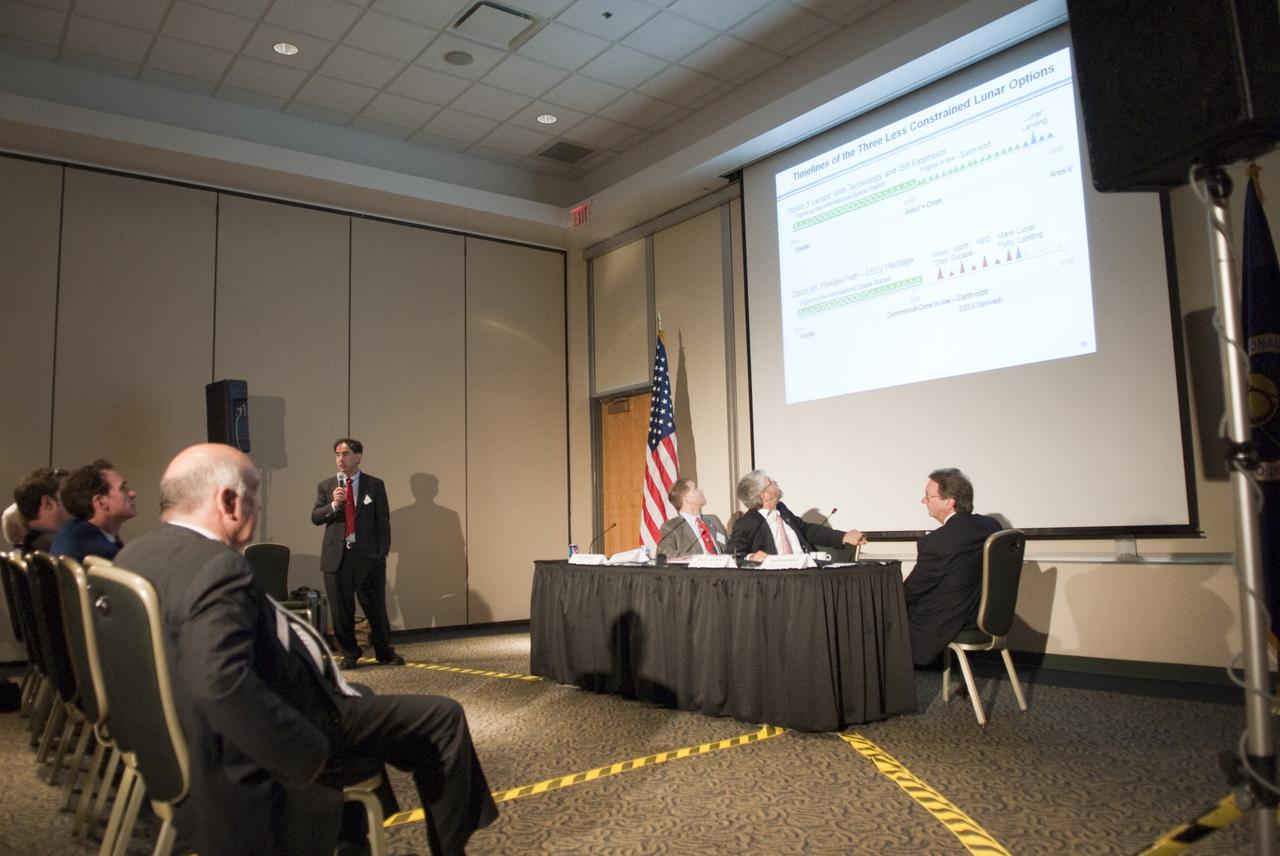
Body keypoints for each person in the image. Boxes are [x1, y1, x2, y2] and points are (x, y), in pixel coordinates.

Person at [114, 443, 498, 856]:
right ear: (227, 501)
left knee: (363, 694)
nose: (258, 504)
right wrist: (309, 757)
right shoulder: (217, 567)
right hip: (281, 730)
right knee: (443, 717)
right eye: (254, 493)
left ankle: (355, 831)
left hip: (186, 737)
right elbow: (220, 684)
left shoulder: (134, 555)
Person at [311, 438, 401, 669]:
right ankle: (350, 653)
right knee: (341, 610)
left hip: (368, 557)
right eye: (337, 454)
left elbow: (383, 520)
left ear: (358, 457)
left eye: (345, 454)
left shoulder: (374, 485)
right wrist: (334, 505)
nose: (340, 459)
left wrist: (381, 552)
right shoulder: (327, 486)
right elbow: (316, 517)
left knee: (375, 608)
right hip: (337, 558)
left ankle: (384, 651)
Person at [904, 467, 1003, 666]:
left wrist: (884, 600)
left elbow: (912, 590)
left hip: (951, 621)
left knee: (883, 615)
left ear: (949, 502)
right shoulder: (991, 526)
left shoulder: (936, 542)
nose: (923, 501)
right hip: (987, 617)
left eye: (928, 496)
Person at [727, 469, 866, 561]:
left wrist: (843, 537)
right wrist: (751, 558)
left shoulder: (782, 509)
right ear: (764, 495)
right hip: (779, 581)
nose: (776, 483)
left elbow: (807, 530)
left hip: (808, 570)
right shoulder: (747, 523)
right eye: (771, 483)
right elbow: (732, 557)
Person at [50, 459, 135, 561]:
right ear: (101, 501)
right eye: (122, 488)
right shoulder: (101, 553)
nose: (132, 493)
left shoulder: (70, 530)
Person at [655, 478, 729, 556]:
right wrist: (694, 559)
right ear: (687, 499)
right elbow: (663, 552)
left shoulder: (713, 520)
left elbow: (731, 546)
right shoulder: (672, 527)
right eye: (696, 489)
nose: (701, 491)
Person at [13, 467, 69, 553]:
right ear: (48, 503)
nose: (77, 503)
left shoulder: (29, 547)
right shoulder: (64, 549)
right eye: (70, 496)